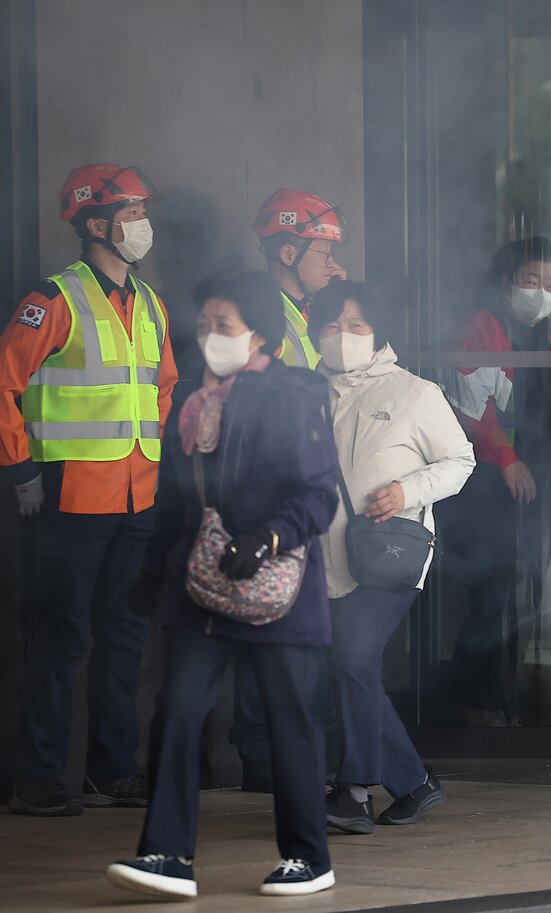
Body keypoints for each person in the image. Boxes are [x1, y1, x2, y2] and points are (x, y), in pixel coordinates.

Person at [107, 271, 338, 899]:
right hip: (202, 585)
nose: (210, 336)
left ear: (258, 333)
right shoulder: (195, 403)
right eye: (204, 325)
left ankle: (308, 858)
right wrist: (152, 570)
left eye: (224, 326)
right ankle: (167, 855)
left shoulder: (293, 394)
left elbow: (320, 497)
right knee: (178, 709)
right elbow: (176, 500)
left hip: (277, 589)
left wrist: (265, 538)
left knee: (290, 719)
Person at [2, 164, 177, 816]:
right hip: (71, 496)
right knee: (63, 637)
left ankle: (113, 767)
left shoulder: (152, 302)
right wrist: (20, 469)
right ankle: (39, 777)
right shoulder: (54, 299)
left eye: (141, 208)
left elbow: (164, 387)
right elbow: (3, 382)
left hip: (138, 496)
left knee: (127, 635)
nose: (141, 222)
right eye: (131, 210)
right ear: (97, 223)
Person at [309, 281, 475, 834]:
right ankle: (413, 783)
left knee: (353, 658)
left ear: (378, 331)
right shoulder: (307, 393)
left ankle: (352, 789)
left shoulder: (414, 392)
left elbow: (460, 461)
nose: (344, 337)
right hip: (322, 554)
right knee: (350, 666)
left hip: (390, 554)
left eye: (356, 325)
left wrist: (409, 490)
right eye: (332, 326)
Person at [440, 237, 551, 723]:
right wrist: (505, 459)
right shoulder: (485, 324)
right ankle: (474, 694)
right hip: (490, 484)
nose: (543, 292)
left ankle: (497, 689)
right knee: (496, 589)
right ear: (508, 281)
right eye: (532, 280)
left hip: (545, 482)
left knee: (528, 587)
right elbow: (469, 402)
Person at [234, 187, 348, 787]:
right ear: (286, 250)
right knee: (265, 623)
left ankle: (295, 754)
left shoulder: (308, 316)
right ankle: (260, 757)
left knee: (299, 629)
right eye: (323, 252)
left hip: (306, 490)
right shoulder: (262, 316)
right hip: (270, 494)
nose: (335, 265)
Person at [252, 187, 349, 370]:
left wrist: (341, 302)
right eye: (325, 253)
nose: (332, 264)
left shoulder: (311, 309)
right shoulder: (262, 321)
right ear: (288, 255)